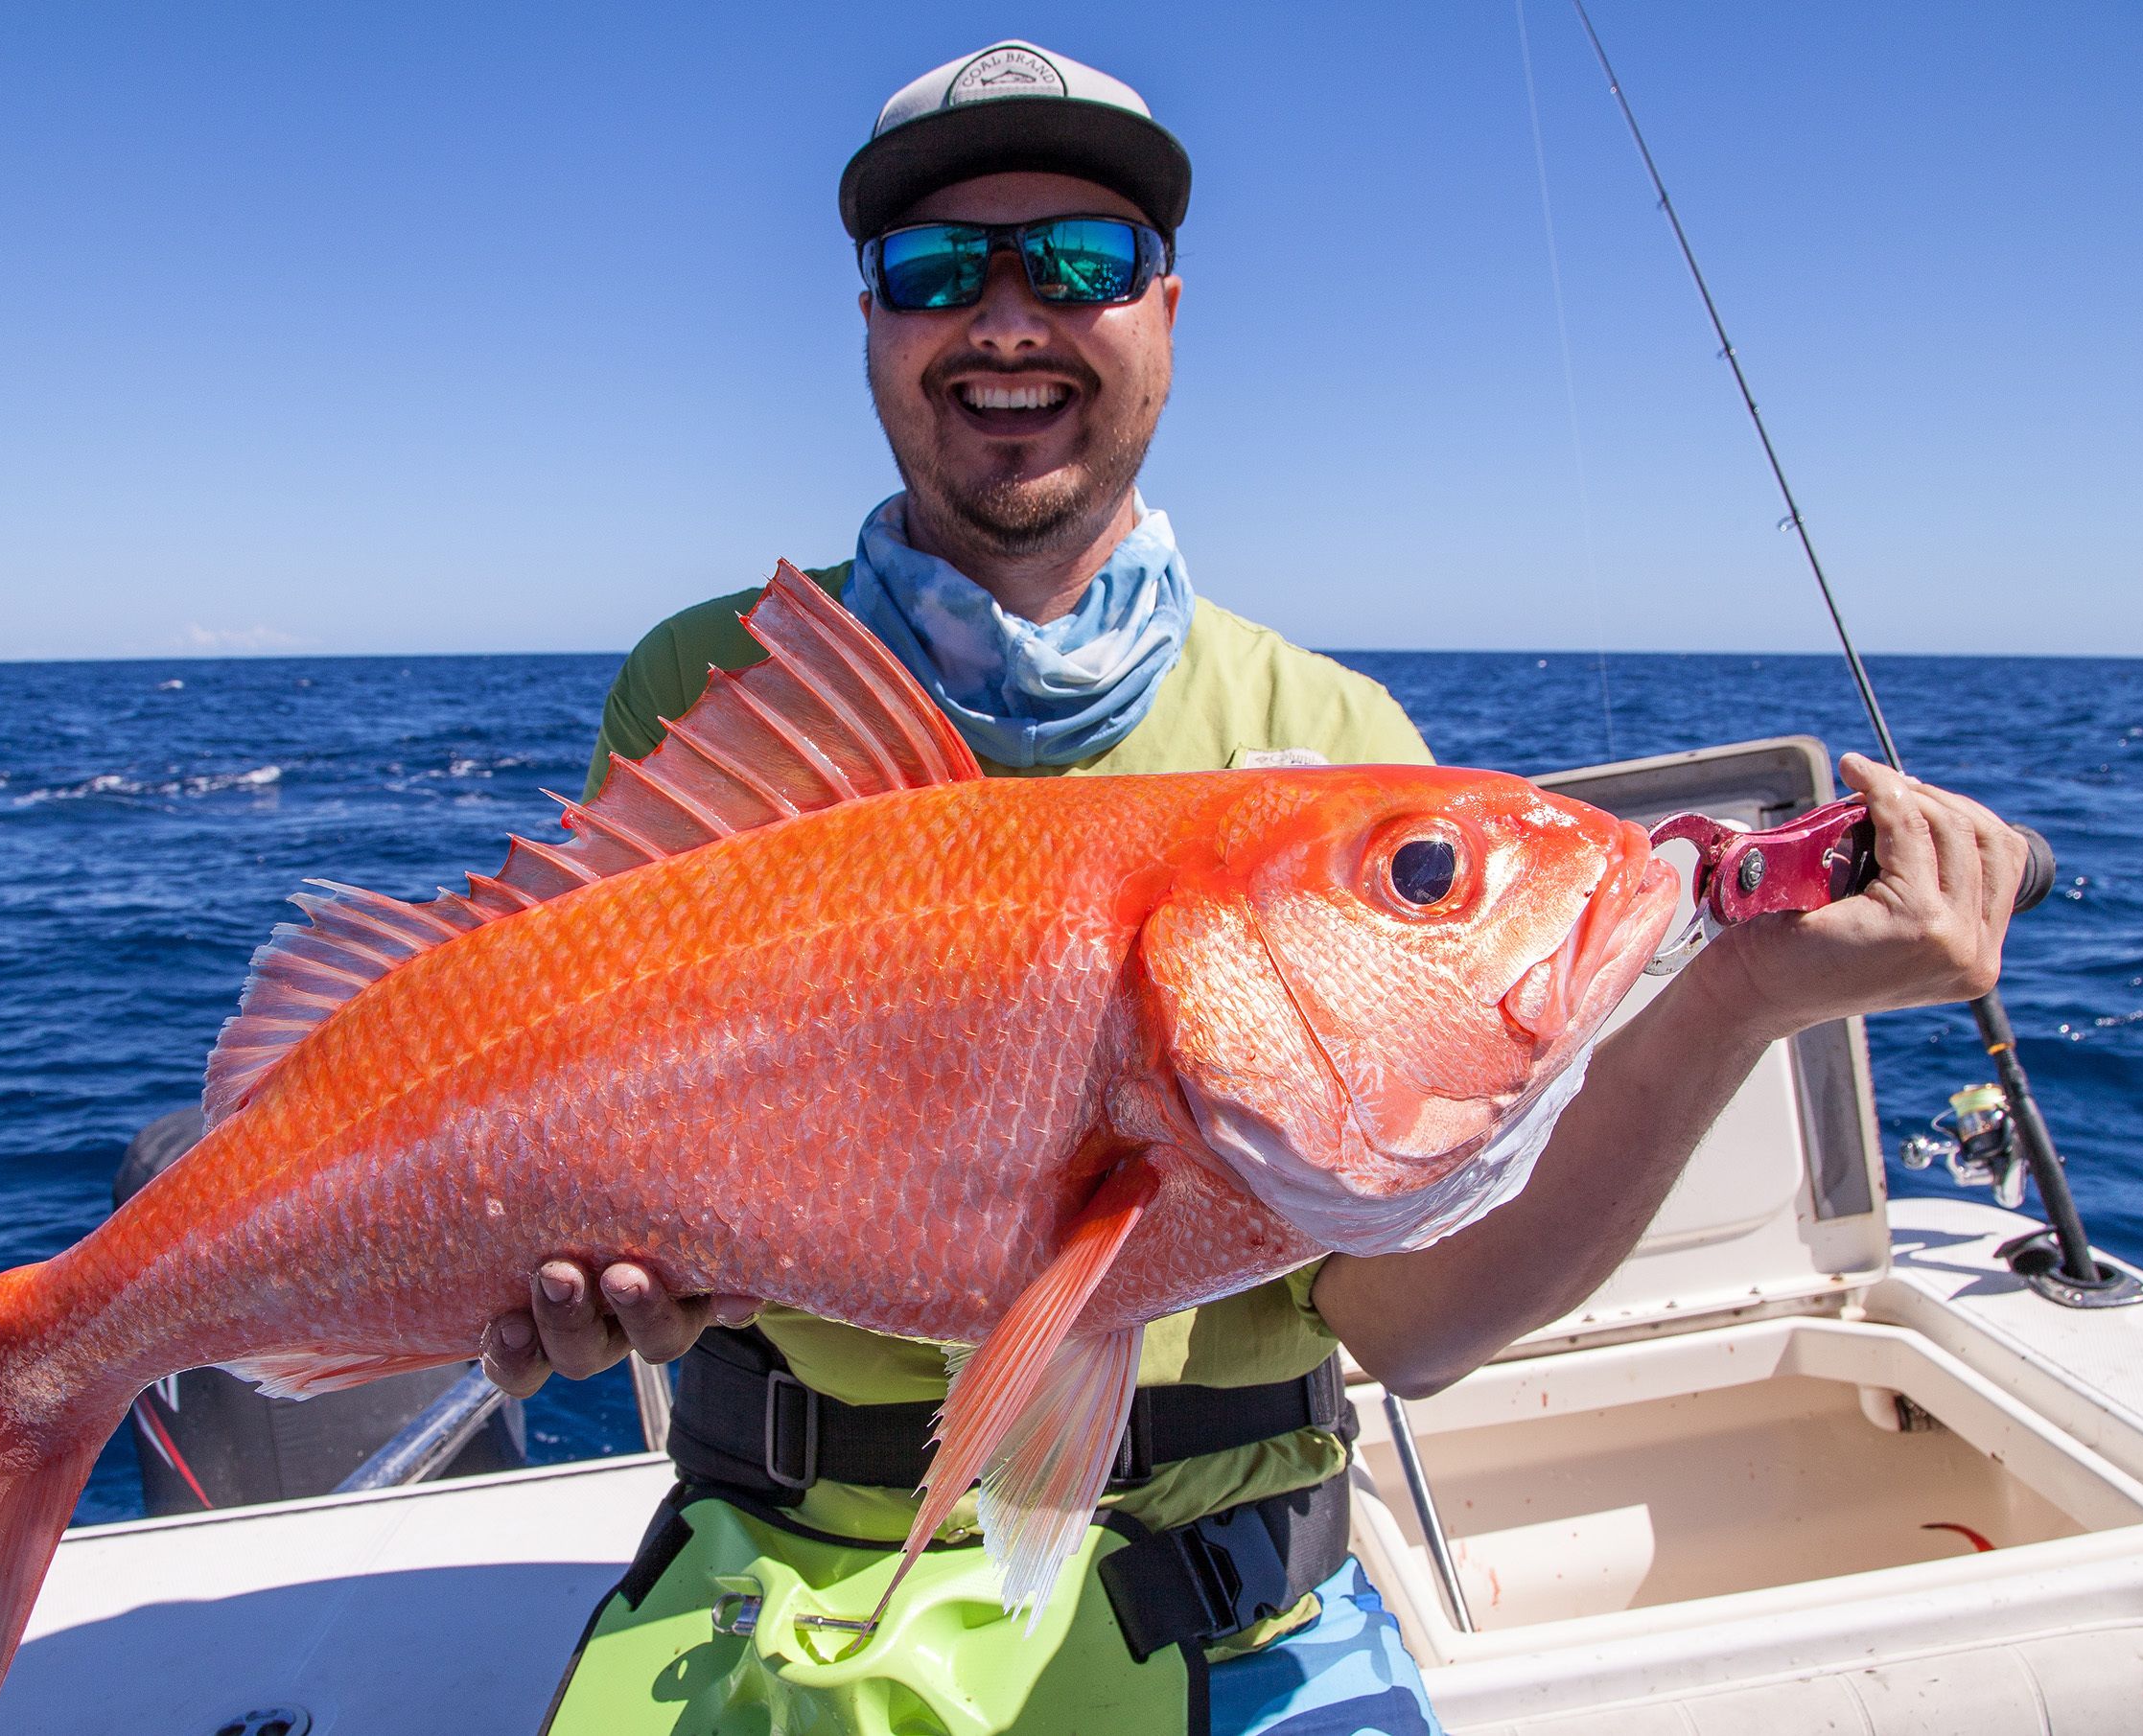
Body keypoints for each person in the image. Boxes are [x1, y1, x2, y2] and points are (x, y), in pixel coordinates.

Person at [494, 40, 2028, 1734]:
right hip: (774, 1568)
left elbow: (1415, 1323)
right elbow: (547, 1118)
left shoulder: (1330, 741)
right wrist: (562, 1278)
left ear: (1164, 313)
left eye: (1081, 263)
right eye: (939, 270)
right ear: (872, 323)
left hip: (1238, 1602)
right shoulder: (714, 689)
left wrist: (1745, 991)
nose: (1009, 317)